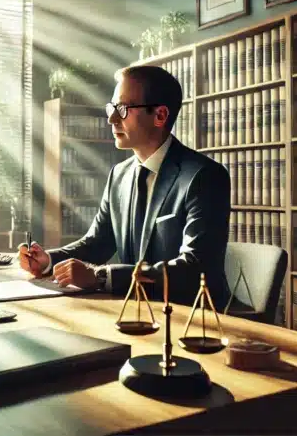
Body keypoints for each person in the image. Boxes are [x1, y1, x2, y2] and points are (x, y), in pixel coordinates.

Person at [19, 65, 231, 306]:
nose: (111, 119)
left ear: (160, 116)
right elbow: (97, 243)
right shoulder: (119, 175)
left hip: (192, 315)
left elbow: (194, 268)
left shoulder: (205, 176)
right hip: (134, 308)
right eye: (112, 108)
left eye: (122, 109)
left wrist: (100, 276)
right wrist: (48, 261)